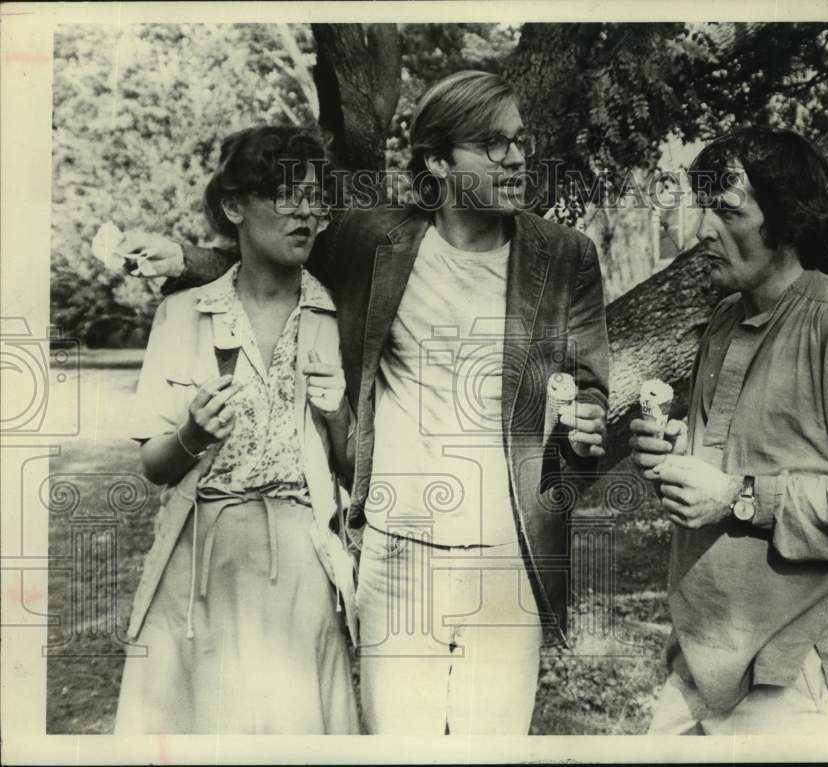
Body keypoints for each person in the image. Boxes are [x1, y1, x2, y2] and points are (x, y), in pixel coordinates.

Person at [125, 70, 610, 735]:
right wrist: (181, 258)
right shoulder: (372, 239)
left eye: (521, 141)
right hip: (397, 552)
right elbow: (273, 254)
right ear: (438, 160)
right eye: (494, 145)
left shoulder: (565, 256)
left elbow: (588, 385)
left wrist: (585, 419)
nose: (518, 157)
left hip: (508, 559)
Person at [629, 127, 828, 736]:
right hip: (702, 662)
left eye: (727, 210)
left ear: (787, 220)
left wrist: (738, 494)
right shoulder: (723, 320)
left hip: (799, 676)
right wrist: (670, 454)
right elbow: (744, 457)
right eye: (703, 209)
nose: (701, 232)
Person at [115, 126, 360, 734]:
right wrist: (193, 435)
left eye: (315, 197)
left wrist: (336, 419)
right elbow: (154, 466)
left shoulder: (341, 318)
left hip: (304, 563)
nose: (305, 211)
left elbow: (360, 471)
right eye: (285, 194)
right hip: (200, 560)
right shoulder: (181, 314)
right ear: (234, 207)